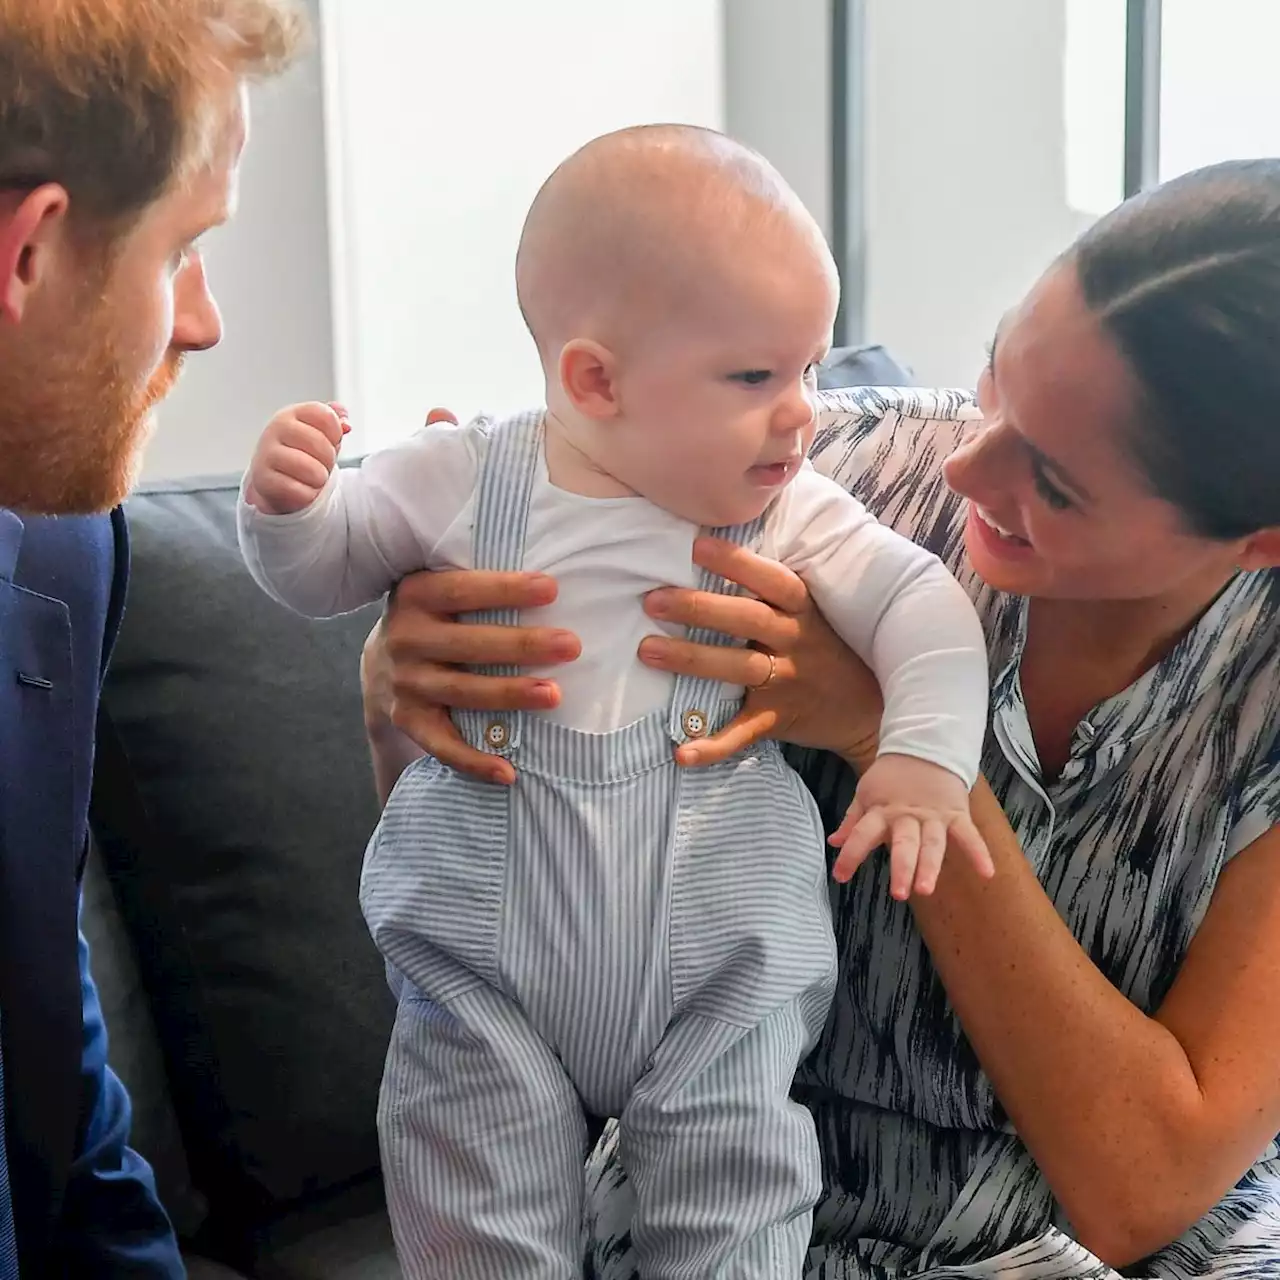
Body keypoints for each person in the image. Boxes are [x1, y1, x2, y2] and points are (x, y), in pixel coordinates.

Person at [360, 158, 1280, 1278]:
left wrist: (877, 724)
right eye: (995, 375)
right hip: (724, 1193)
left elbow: (1140, 1184)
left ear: (1257, 540)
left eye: (1055, 479)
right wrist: (409, 672)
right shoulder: (806, 471)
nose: (961, 462)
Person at [237, 125, 992, 1279]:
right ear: (595, 378)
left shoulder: (786, 507)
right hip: (484, 961)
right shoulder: (459, 475)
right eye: (754, 376)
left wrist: (923, 757)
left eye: (807, 366)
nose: (802, 413)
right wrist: (287, 512)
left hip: (717, 957)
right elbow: (321, 572)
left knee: (736, 1191)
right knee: (469, 1203)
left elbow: (921, 602)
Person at [0, 2, 307, 1273]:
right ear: (28, 251)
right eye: (184, 247)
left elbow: (61, 1107)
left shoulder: (59, 551)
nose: (202, 320)